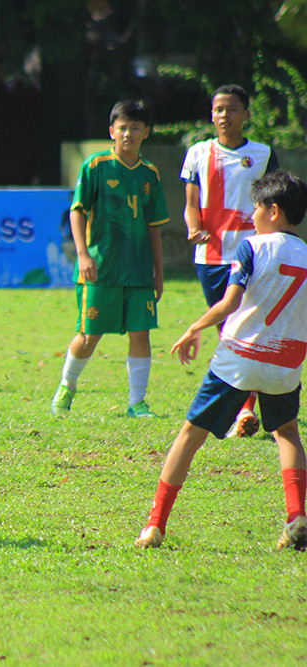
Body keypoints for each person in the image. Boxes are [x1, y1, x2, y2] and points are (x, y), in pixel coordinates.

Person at [136, 170, 307, 551]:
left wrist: (194, 327)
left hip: (240, 356)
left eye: (257, 208)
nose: (253, 215)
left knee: (189, 436)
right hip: (287, 362)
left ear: (273, 211)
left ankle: (154, 525)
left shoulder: (252, 247)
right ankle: (297, 516)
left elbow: (229, 302)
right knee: (287, 433)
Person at [50, 100, 169, 418]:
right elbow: (77, 212)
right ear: (111, 131)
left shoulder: (150, 174)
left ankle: (137, 403)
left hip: (139, 269)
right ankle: (66, 386)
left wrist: (158, 271)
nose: (127, 133)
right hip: (100, 268)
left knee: (141, 333)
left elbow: (154, 227)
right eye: (122, 127)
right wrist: (83, 254)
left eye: (134, 128)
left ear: (146, 132)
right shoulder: (95, 166)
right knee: (89, 335)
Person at [180, 84, 280, 438]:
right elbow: (192, 204)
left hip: (253, 254)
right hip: (211, 257)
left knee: (247, 329)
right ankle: (242, 406)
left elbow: (272, 203)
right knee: (229, 330)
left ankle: (243, 410)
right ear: (211, 114)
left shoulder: (263, 154)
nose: (225, 115)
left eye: (233, 109)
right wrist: (194, 228)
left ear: (246, 115)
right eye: (219, 109)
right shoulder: (196, 153)